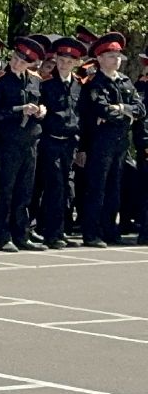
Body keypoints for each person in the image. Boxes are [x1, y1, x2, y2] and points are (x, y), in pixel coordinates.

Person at [79, 32, 144, 247]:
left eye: (118, 56)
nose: (116, 60)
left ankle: (110, 230)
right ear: (99, 58)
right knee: (97, 188)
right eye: (111, 56)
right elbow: (100, 109)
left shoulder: (125, 81)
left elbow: (141, 109)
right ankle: (92, 232)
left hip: (120, 142)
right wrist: (124, 113)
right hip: (100, 142)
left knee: (115, 188)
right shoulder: (94, 82)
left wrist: (121, 108)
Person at [0, 36, 47, 252]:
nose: (16, 63)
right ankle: (3, 236)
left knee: (25, 191)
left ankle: (21, 233)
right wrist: (19, 110)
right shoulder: (0, 80)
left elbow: (41, 103)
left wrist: (41, 110)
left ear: (31, 63)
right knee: (6, 191)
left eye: (22, 62)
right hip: (8, 142)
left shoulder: (35, 80)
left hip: (30, 141)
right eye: (14, 58)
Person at [37, 36, 85, 248]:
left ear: (76, 63)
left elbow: (81, 116)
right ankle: (51, 233)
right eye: (61, 60)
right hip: (51, 141)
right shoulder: (46, 84)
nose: (64, 64)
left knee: (65, 187)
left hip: (69, 143)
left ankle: (60, 230)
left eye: (69, 61)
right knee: (54, 186)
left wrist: (80, 145)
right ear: (56, 60)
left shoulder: (79, 86)